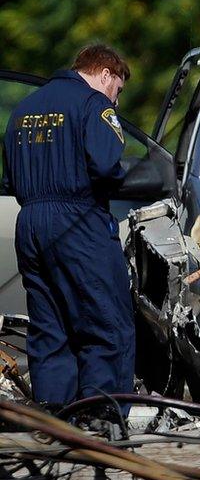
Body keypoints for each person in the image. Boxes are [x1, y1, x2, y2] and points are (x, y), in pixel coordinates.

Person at [1, 44, 133, 411]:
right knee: (106, 321)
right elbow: (107, 167)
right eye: (117, 90)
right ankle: (101, 414)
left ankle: (54, 415)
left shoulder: (23, 109)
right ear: (105, 74)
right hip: (78, 222)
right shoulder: (94, 105)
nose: (116, 101)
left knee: (49, 324)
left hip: (29, 224)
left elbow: (10, 180)